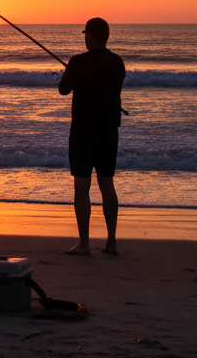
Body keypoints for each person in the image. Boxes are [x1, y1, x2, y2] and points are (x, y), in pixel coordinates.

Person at [58, 16, 126, 255]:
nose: (85, 38)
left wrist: (69, 72)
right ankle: (112, 242)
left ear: (90, 35)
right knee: (107, 182)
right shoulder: (117, 62)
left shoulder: (77, 62)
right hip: (108, 131)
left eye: (86, 34)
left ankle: (84, 244)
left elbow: (63, 89)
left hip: (83, 132)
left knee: (82, 186)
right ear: (106, 36)